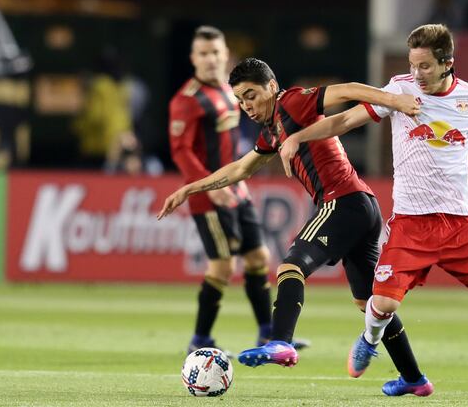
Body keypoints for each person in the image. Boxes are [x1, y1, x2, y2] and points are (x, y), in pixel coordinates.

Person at [278, 24, 468, 400]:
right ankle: (369, 339)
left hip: (461, 224)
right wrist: (298, 136)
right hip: (411, 223)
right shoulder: (399, 90)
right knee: (381, 304)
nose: (417, 74)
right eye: (413, 65)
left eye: (425, 66)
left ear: (447, 63)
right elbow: (345, 120)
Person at [158, 57, 433, 397]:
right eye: (240, 100)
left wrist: (395, 101)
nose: (246, 105)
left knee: (292, 266)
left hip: (342, 201)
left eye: (251, 95)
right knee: (370, 304)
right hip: (362, 205)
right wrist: (190, 188)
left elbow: (347, 90)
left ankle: (280, 342)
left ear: (272, 87)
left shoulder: (292, 101)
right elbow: (240, 169)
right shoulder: (271, 130)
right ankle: (413, 378)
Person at [168, 26, 307, 354]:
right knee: (222, 266)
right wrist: (209, 187)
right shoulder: (187, 100)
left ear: (225, 54)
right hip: (210, 194)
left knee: (259, 257)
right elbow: (180, 151)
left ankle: (268, 334)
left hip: (237, 188)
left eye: (216, 52)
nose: (210, 59)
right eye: (203, 53)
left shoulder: (229, 91)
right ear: (193, 58)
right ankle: (199, 341)